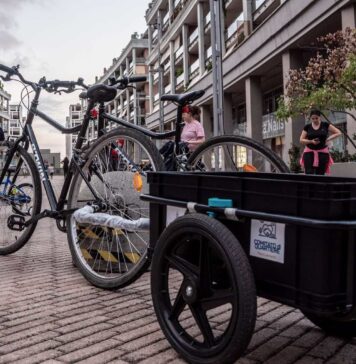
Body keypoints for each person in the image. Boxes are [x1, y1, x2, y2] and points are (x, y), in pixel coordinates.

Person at [299, 109, 341, 175]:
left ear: (320, 117)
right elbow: (301, 140)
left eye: (316, 118)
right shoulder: (307, 127)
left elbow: (338, 132)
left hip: (322, 152)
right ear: (310, 118)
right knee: (309, 172)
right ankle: (310, 185)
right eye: (313, 118)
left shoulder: (325, 125)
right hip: (309, 152)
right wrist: (311, 141)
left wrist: (328, 138)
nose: (315, 120)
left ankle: (319, 185)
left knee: (321, 172)